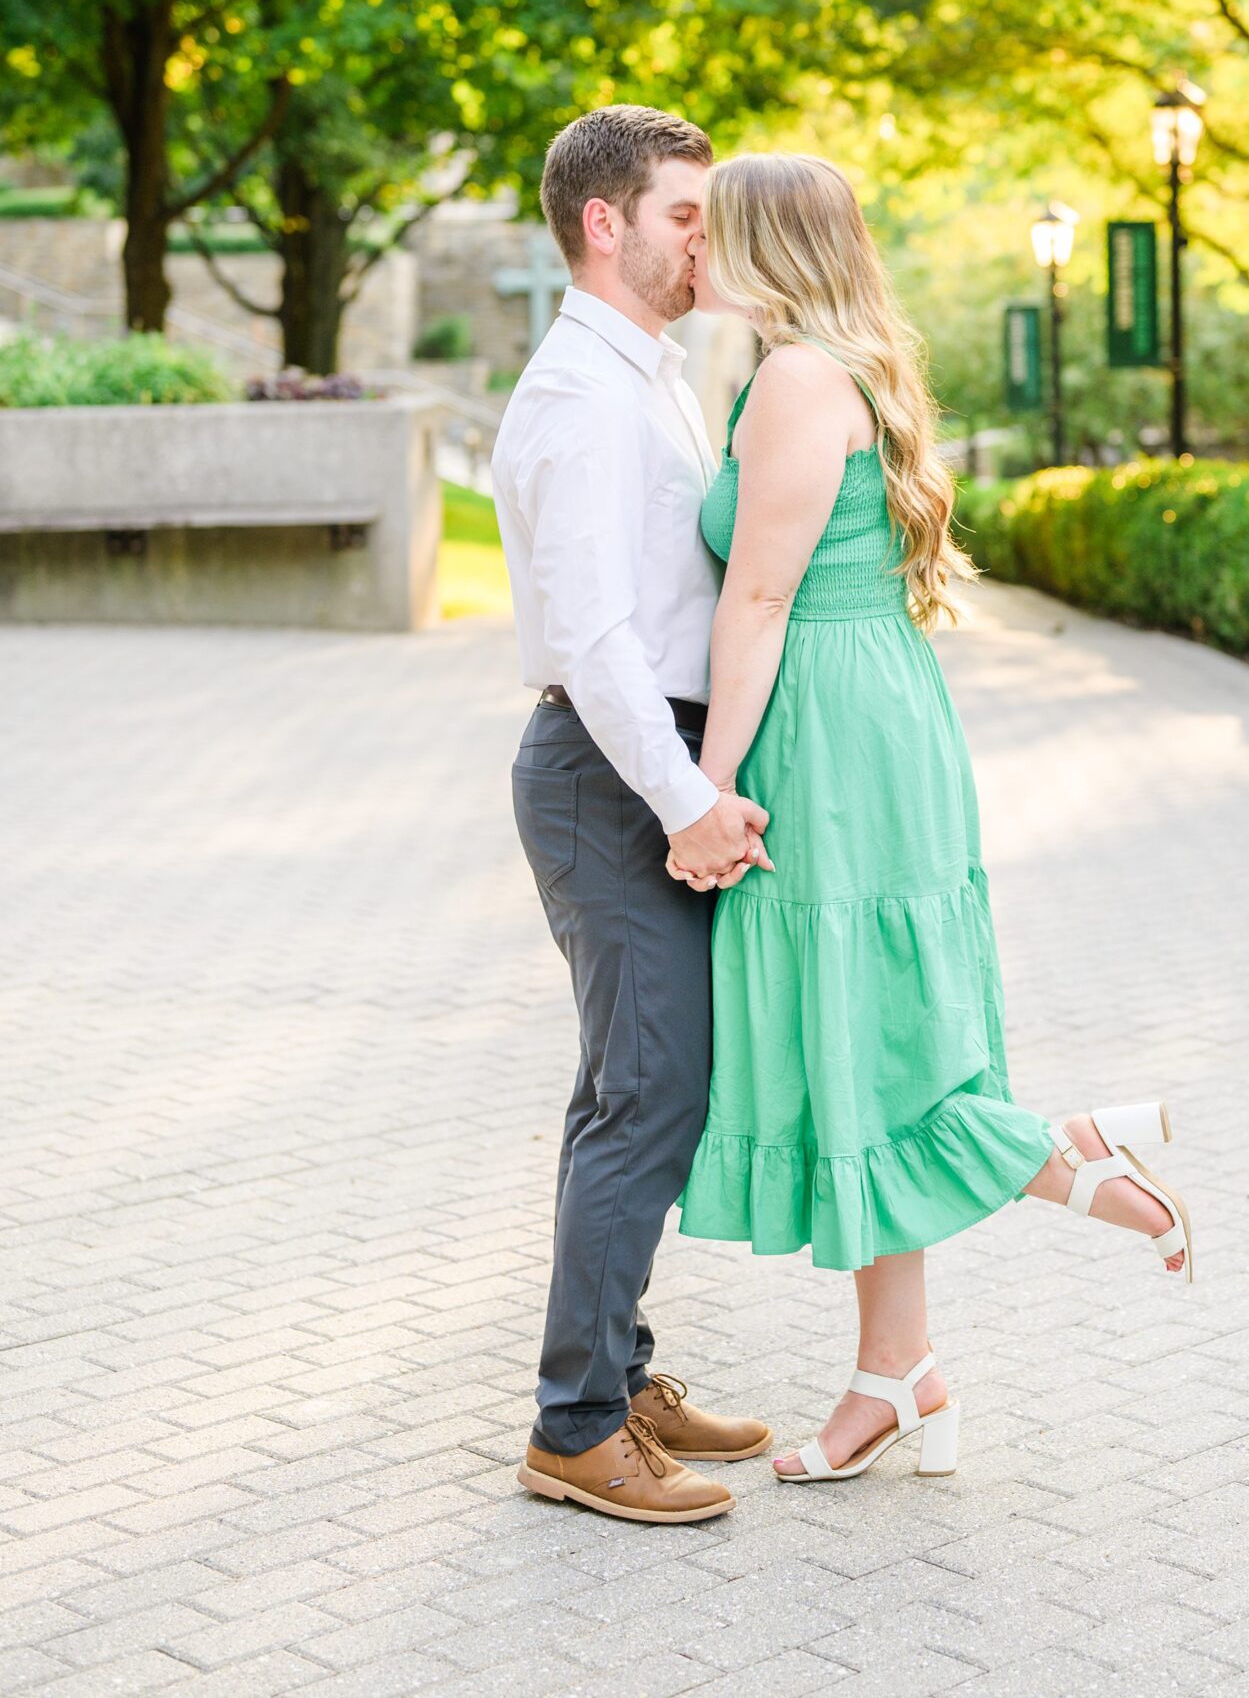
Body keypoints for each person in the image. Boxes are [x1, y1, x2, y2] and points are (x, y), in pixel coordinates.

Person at [676, 152, 1193, 1483]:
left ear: (761, 244)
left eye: (710, 224)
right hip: (876, 705)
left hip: (828, 725)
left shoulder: (795, 378)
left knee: (868, 1037)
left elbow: (761, 599)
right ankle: (896, 1372)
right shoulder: (842, 360)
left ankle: (1069, 1160)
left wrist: (711, 788)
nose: (693, 245)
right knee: (865, 1029)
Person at [491, 105, 775, 1527]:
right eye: (683, 214)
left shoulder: (648, 374)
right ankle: (578, 1426)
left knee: (635, 1087)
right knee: (646, 1091)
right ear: (604, 223)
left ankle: (620, 1371)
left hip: (636, 763)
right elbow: (598, 640)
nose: (702, 237)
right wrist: (689, 803)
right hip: (614, 772)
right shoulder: (583, 397)